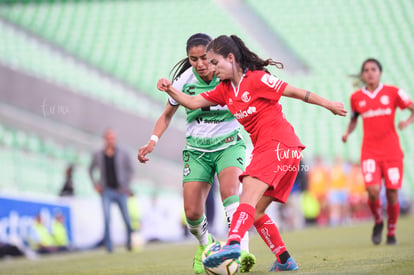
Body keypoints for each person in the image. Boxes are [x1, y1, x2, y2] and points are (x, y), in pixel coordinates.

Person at [157, 34, 347, 271]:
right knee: (255, 212)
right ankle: (284, 259)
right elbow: (193, 103)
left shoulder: (257, 79)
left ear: (231, 58)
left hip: (278, 145)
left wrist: (329, 105)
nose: (211, 69)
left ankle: (233, 244)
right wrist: (170, 90)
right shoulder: (225, 90)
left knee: (245, 198)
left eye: (215, 63)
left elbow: (296, 92)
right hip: (282, 154)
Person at [138, 33, 256, 273]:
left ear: (213, 55)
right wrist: (152, 140)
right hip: (197, 151)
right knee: (192, 213)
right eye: (193, 59)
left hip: (229, 145)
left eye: (204, 57)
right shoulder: (183, 81)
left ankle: (241, 251)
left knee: (230, 193)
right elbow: (166, 116)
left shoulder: (228, 73)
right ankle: (206, 246)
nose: (200, 64)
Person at [342, 58, 414, 245]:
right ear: (363, 74)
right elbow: (354, 119)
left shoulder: (394, 92)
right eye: (366, 70)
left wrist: (406, 122)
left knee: (392, 193)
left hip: (392, 153)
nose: (369, 72)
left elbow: (412, 108)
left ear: (380, 72)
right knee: (373, 191)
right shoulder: (356, 97)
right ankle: (378, 221)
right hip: (370, 152)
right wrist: (347, 133)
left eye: (373, 69)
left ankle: (391, 232)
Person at [89, 128, 134, 253]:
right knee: (107, 219)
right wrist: (95, 184)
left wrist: (126, 186)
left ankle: (130, 243)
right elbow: (90, 169)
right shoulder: (98, 154)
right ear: (105, 139)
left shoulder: (123, 153)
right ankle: (109, 247)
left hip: (120, 191)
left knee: (127, 219)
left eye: (113, 138)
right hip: (106, 191)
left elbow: (130, 170)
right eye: (109, 138)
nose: (111, 140)